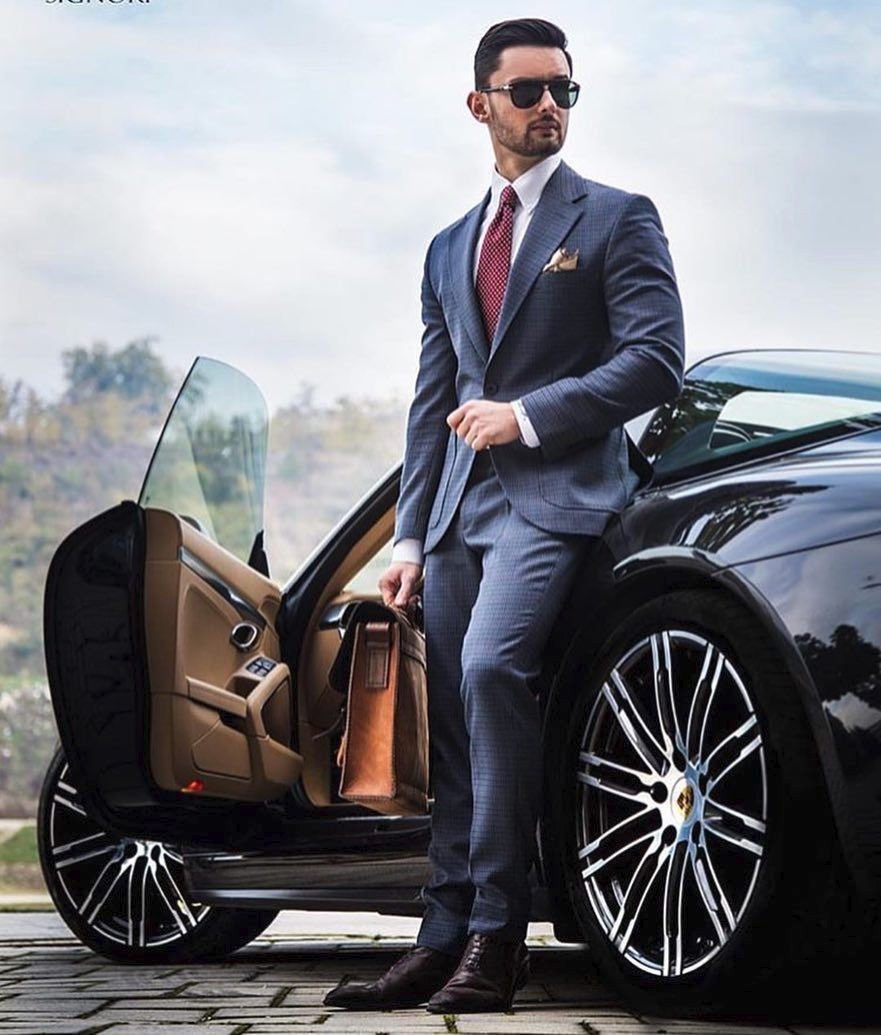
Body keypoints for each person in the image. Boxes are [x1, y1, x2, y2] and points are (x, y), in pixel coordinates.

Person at [324, 17, 685, 1014]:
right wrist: (408, 534)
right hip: (456, 516)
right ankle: (439, 936)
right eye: (526, 92)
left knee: (489, 670)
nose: (547, 107)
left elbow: (655, 360)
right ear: (479, 103)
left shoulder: (616, 218)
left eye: (563, 90)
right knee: (449, 722)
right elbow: (431, 401)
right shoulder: (449, 247)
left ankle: (498, 933)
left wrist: (524, 415)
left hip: (557, 500)